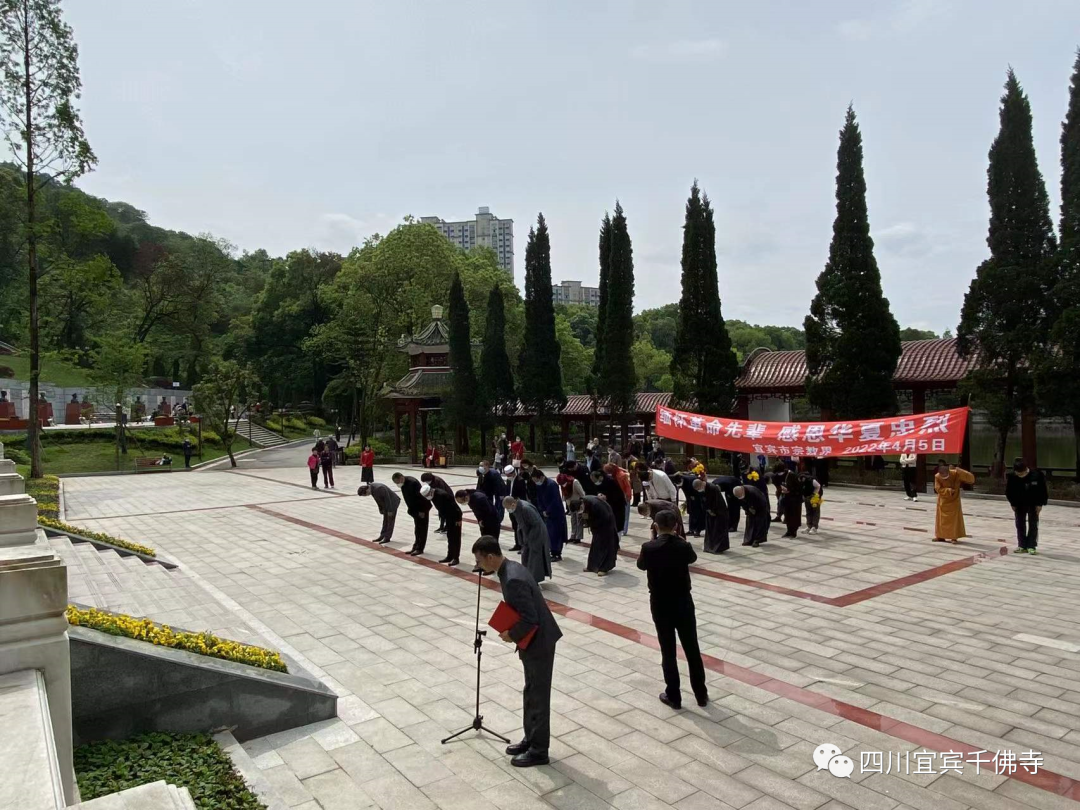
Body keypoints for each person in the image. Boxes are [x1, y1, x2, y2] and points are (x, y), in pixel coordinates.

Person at [473, 536, 562, 768]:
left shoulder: (513, 579)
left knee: (538, 697)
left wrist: (511, 634)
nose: (479, 566)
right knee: (531, 692)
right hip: (533, 641)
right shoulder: (510, 569)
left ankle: (539, 751)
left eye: (479, 561)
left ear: (490, 557)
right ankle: (531, 739)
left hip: (539, 643)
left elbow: (530, 617)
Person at [637, 509, 709, 710]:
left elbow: (641, 565)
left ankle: (674, 696)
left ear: (656, 526)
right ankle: (701, 694)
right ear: (676, 526)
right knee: (692, 648)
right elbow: (692, 558)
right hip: (683, 602)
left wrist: (653, 539)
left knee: (668, 650)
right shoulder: (683, 546)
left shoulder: (648, 547)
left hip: (661, 603)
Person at [504, 496, 552, 583]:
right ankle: (527, 577)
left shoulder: (525, 508)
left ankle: (534, 580)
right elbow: (521, 524)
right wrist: (522, 539)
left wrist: (529, 539)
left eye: (508, 508)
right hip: (529, 535)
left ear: (513, 504)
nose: (508, 510)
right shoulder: (516, 509)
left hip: (537, 534)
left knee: (534, 558)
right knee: (526, 556)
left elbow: (536, 525)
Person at [1006, 457, 1048, 555]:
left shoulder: (1037, 475)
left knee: (1033, 524)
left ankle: (1031, 545)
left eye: (1022, 473)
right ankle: (1022, 545)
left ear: (1026, 469)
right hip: (1019, 504)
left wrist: (1040, 504)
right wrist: (1012, 503)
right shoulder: (1012, 476)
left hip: (1033, 504)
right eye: (1018, 474)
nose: (1020, 475)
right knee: (1019, 524)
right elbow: (1009, 491)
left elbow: (1042, 491)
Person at [572, 496, 618, 576]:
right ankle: (591, 566)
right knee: (595, 545)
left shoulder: (595, 505)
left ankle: (604, 568)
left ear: (580, 505)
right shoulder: (585, 503)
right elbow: (586, 515)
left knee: (606, 546)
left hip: (607, 523)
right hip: (597, 525)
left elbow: (605, 517)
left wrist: (593, 525)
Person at [932, 460, 975, 544]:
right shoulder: (937, 476)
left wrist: (960, 470)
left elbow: (971, 479)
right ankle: (940, 536)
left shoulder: (956, 474)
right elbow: (938, 489)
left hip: (954, 500)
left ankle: (953, 537)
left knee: (954, 520)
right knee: (941, 519)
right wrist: (948, 490)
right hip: (943, 500)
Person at [531, 469, 567, 561]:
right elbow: (538, 498)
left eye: (536, 480)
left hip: (556, 513)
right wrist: (542, 509)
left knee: (556, 533)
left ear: (541, 477)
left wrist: (548, 510)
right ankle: (552, 551)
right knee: (549, 534)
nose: (536, 482)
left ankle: (557, 553)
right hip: (546, 513)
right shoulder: (539, 485)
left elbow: (555, 500)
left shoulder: (551, 485)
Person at [393, 472, 431, 556]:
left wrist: (422, 511)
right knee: (417, 529)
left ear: (402, 477)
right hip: (414, 510)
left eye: (398, 482)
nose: (398, 484)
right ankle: (415, 546)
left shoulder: (413, 483)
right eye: (396, 483)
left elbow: (421, 498)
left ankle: (420, 548)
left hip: (422, 510)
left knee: (422, 529)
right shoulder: (403, 484)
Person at [423, 484, 462, 565]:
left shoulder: (442, 495)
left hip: (455, 518)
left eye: (427, 495)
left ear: (430, 491)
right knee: (450, 537)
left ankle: (456, 558)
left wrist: (458, 519)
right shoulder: (433, 495)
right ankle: (450, 556)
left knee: (455, 538)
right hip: (448, 517)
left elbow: (455, 507)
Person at [694, 478, 729, 554]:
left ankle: (718, 548)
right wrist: (707, 510)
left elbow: (717, 501)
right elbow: (702, 501)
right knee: (710, 530)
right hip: (709, 511)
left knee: (718, 530)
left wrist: (713, 511)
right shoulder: (702, 490)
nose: (699, 490)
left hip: (719, 512)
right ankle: (709, 546)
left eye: (699, 488)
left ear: (701, 484)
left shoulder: (713, 488)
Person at [591, 469, 628, 534]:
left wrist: (606, 497)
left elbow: (617, 495)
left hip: (617, 506)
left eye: (595, 480)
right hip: (607, 506)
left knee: (617, 525)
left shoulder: (611, 481)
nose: (595, 483)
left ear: (600, 477)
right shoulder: (600, 482)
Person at [557, 470, 586, 542]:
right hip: (570, 504)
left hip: (578, 503)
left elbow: (582, 493)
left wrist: (582, 503)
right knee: (573, 520)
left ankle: (578, 537)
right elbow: (564, 494)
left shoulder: (574, 482)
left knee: (579, 520)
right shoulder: (562, 484)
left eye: (563, 483)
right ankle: (573, 535)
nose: (563, 485)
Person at [604, 463, 633, 535]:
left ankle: (624, 530)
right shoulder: (612, 476)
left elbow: (627, 486)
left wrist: (628, 496)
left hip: (624, 496)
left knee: (625, 515)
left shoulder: (622, 475)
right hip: (616, 497)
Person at [504, 466, 528, 550]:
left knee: (520, 526)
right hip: (510, 506)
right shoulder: (508, 480)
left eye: (508, 475)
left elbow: (523, 494)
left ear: (513, 473)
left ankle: (523, 545)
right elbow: (507, 491)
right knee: (514, 526)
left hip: (517, 505)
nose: (507, 476)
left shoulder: (520, 480)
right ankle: (517, 544)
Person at [681, 468, 706, 538]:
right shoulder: (682, 482)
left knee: (698, 513)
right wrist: (688, 499)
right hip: (691, 499)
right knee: (691, 513)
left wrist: (694, 497)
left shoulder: (691, 480)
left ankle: (697, 530)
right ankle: (691, 529)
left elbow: (699, 489)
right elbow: (686, 492)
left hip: (698, 497)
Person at [778, 464, 801, 538]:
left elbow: (799, 488)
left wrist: (790, 491)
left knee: (794, 515)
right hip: (786, 497)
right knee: (787, 514)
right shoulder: (782, 475)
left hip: (794, 499)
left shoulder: (792, 475)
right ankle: (788, 531)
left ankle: (794, 532)